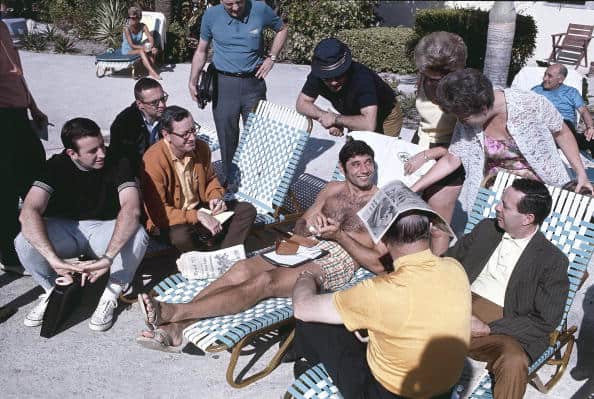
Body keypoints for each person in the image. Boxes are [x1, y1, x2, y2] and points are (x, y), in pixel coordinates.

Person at [136, 139, 388, 351]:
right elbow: (300, 224)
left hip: (337, 257)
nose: (364, 170)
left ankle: (175, 312)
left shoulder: (381, 203)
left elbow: (379, 264)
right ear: (343, 169)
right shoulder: (331, 189)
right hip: (304, 242)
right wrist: (310, 224)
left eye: (368, 163)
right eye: (356, 164)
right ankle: (178, 328)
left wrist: (340, 235)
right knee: (241, 269)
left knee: (264, 281)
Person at [292, 205, 471, 398]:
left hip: (385, 393)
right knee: (355, 321)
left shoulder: (378, 291)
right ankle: (304, 358)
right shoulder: (454, 268)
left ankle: (307, 364)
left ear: (384, 240)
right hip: (444, 391)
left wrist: (306, 276)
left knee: (316, 321)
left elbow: (302, 308)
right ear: (429, 229)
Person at [15, 118, 149, 331]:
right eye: (93, 151)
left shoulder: (118, 161)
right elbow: (29, 211)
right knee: (23, 240)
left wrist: (108, 259)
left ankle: (111, 293)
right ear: (72, 153)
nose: (102, 154)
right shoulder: (55, 166)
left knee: (138, 234)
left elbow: (131, 208)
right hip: (67, 229)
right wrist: (54, 260)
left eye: (102, 146)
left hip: (105, 229)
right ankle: (53, 289)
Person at [444, 178, 569, 399]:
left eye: (505, 206)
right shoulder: (486, 228)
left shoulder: (552, 260)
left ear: (527, 219)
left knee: (514, 360)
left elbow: (546, 321)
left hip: (500, 328)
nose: (497, 207)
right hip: (452, 308)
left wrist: (488, 328)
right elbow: (449, 262)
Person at [411, 68, 593, 217]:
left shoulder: (530, 103)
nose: (460, 121)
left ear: (483, 109)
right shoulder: (467, 117)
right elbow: (453, 158)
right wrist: (414, 188)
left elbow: (561, 132)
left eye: (463, 117)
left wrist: (580, 173)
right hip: (494, 196)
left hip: (539, 195)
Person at [188, 0, 288, 189]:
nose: (235, 8)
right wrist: (192, 80)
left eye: (239, 3)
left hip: (253, 83)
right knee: (227, 135)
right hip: (223, 84)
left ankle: (256, 181)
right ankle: (231, 181)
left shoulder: (260, 9)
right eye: (229, 4)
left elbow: (282, 29)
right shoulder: (211, 15)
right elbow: (202, 50)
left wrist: (271, 58)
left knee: (257, 135)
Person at [141, 105, 256, 252]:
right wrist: (197, 216)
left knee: (246, 210)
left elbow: (210, 180)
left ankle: (226, 254)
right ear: (166, 135)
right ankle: (202, 257)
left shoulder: (201, 147)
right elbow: (159, 213)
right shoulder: (153, 160)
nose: (192, 137)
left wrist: (215, 197)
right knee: (180, 236)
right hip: (172, 219)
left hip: (200, 208)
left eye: (193, 130)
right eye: (185, 134)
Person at [403, 31, 467, 254]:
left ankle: (436, 269)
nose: (430, 82)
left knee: (437, 226)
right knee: (411, 219)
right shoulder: (425, 75)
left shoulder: (463, 89)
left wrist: (428, 155)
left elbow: (466, 142)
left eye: (435, 79)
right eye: (426, 76)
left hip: (449, 152)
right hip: (419, 144)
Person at [0, 20, 47, 275]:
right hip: (2, 118)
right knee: (5, 191)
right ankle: (9, 255)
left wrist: (32, 105)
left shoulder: (3, 28)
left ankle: (32, 241)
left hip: (18, 114)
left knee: (36, 177)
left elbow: (16, 72)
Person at [296, 38, 403, 137]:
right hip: (355, 113)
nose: (333, 82)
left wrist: (336, 119)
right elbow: (302, 104)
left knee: (382, 153)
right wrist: (324, 116)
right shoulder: (318, 75)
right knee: (353, 153)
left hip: (385, 114)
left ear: (346, 69)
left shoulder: (362, 79)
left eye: (338, 75)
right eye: (327, 78)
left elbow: (368, 125)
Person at [531, 63, 594, 155]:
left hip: (566, 127)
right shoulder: (536, 90)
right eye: (545, 74)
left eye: (549, 76)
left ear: (560, 80)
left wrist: (590, 127)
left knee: (591, 138)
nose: (544, 78)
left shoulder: (571, 92)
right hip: (543, 126)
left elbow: (583, 111)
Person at [109, 77, 168, 172]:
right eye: (154, 102)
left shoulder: (167, 115)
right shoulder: (125, 124)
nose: (162, 105)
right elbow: (123, 160)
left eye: (163, 99)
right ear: (140, 104)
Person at [121, 6, 160, 80]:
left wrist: (152, 46)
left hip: (138, 48)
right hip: (128, 50)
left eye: (133, 18)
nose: (131, 19)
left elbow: (150, 37)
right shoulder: (126, 28)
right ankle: (152, 72)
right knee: (142, 51)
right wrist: (144, 48)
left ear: (139, 18)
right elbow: (131, 45)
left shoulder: (143, 26)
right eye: (130, 17)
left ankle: (148, 70)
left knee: (152, 51)